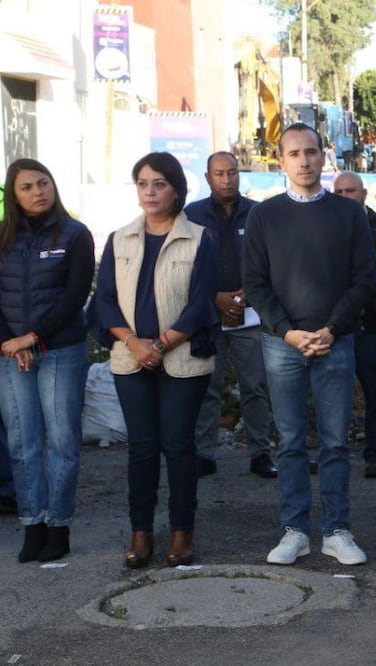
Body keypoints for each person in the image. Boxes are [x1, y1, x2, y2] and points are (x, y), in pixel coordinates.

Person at [243, 122, 376, 566]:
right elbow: (255, 284)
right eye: (295, 153)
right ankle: (295, 530)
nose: (304, 160)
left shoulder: (349, 214)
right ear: (281, 160)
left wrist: (332, 329)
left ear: (324, 156)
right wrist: (287, 331)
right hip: (282, 344)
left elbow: (363, 280)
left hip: (335, 341)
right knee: (291, 442)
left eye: (311, 152)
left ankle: (337, 530)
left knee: (336, 442)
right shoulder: (264, 216)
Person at [94, 152, 218, 568]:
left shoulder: (199, 238)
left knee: (179, 445)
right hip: (131, 358)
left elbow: (201, 304)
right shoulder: (120, 238)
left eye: (159, 183)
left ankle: (182, 533)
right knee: (142, 447)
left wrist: (161, 345)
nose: (150, 191)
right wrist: (134, 343)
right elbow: (105, 301)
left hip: (182, 359)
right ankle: (141, 533)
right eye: (143, 183)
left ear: (176, 190)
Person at [0, 159, 94, 562]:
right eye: (27, 187)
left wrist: (34, 337)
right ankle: (32, 524)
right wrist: (11, 342)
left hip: (60, 351)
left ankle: (58, 525)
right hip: (13, 355)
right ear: (13, 195)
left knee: (62, 442)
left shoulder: (75, 234)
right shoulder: (3, 238)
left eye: (43, 183)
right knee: (22, 443)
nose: (38, 192)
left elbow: (75, 296)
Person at [184, 152, 276, 480]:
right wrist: (215, 297)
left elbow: (270, 260)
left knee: (255, 386)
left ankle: (260, 453)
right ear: (208, 178)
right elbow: (183, 266)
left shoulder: (257, 213)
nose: (227, 179)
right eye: (220, 174)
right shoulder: (192, 214)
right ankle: (204, 455)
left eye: (232, 172)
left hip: (249, 314)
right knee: (208, 386)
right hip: (208, 315)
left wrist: (247, 293)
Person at [332, 171, 376, 480]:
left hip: (373, 324)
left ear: (364, 193)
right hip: (336, 324)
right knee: (331, 395)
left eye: (350, 191)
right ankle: (331, 454)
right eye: (339, 192)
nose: (345, 197)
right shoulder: (325, 225)